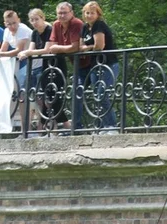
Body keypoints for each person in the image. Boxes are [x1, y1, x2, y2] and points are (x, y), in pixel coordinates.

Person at [45, 2, 85, 130]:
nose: (62, 16)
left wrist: (58, 48)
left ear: (71, 13)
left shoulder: (77, 24)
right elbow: (52, 46)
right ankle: (76, 126)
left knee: (100, 94)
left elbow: (75, 47)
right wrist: (61, 48)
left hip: (92, 63)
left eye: (65, 13)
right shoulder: (56, 25)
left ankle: (107, 126)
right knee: (75, 92)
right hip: (77, 64)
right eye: (59, 13)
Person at [80, 1, 118, 131]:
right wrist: (86, 48)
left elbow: (99, 46)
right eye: (87, 13)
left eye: (92, 13)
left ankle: (112, 126)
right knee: (97, 95)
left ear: (98, 14)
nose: (89, 15)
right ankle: (102, 126)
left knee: (102, 94)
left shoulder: (99, 25)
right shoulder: (85, 27)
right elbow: (80, 46)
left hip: (108, 64)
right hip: (95, 66)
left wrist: (88, 47)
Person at [0, 10, 35, 131]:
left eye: (14, 23)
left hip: (32, 62)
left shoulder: (22, 29)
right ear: (5, 24)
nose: (12, 27)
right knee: (20, 96)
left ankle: (29, 129)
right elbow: (3, 49)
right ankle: (24, 129)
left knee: (26, 95)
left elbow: (18, 50)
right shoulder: (6, 31)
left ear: (19, 21)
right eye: (8, 24)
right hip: (20, 63)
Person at [20, 8, 55, 129]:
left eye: (36, 19)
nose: (34, 22)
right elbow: (31, 49)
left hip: (47, 66)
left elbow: (46, 50)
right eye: (32, 20)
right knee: (32, 97)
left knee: (46, 98)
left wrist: (27, 52)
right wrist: (27, 52)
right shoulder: (34, 33)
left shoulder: (50, 29)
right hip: (35, 67)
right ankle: (34, 128)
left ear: (42, 18)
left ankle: (51, 126)